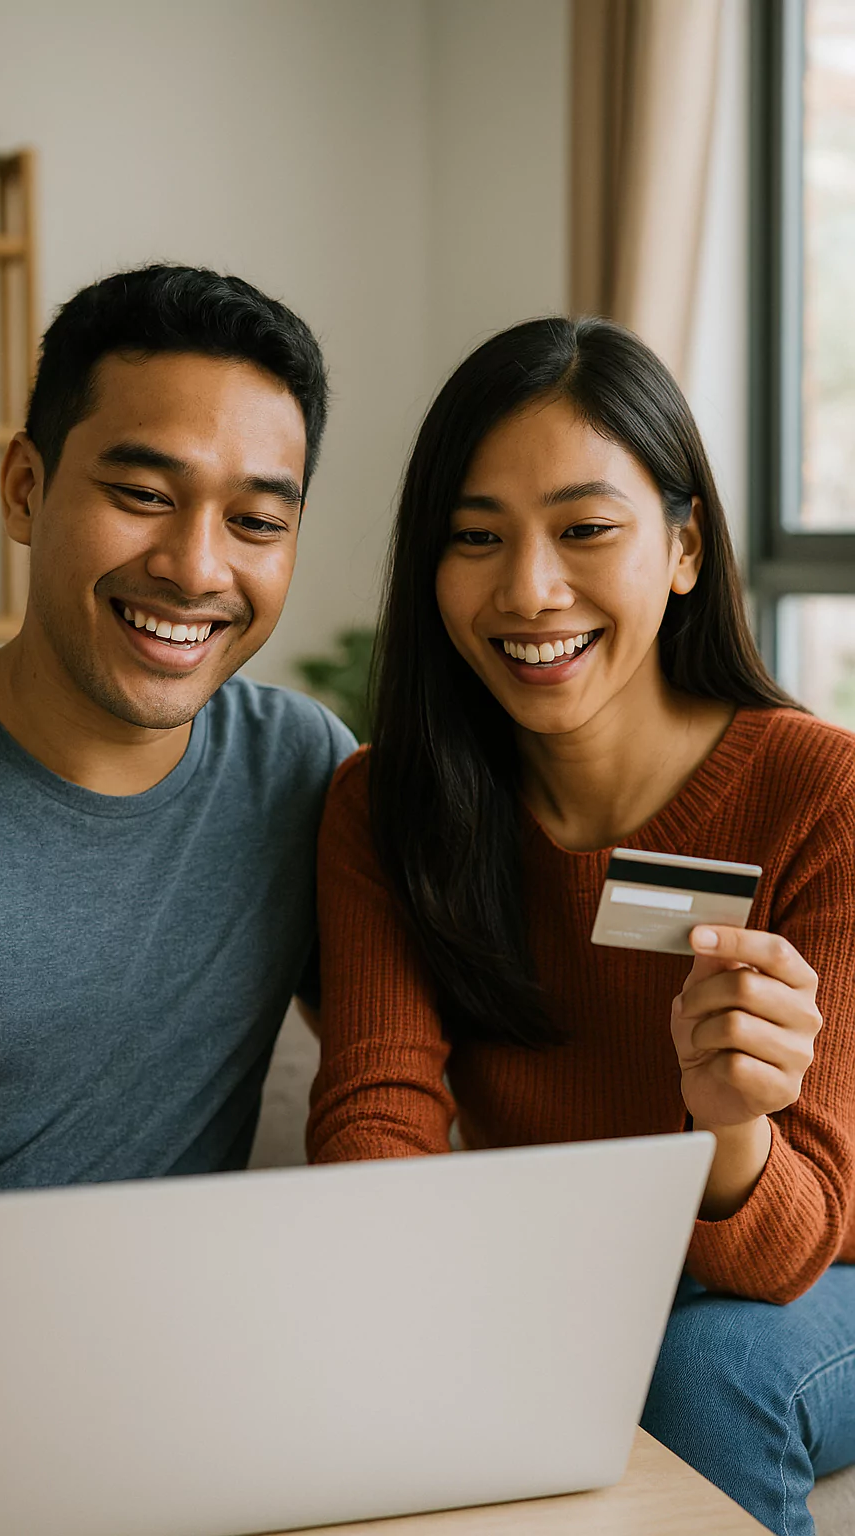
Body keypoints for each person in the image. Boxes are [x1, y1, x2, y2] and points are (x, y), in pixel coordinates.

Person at [306, 316, 855, 1536]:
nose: (527, 590)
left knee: (709, 1369)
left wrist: (725, 1122)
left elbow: (785, 1248)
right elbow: (376, 1111)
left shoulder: (824, 795)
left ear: (683, 546)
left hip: (823, 1266)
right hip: (563, 1263)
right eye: (475, 538)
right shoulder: (388, 805)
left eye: (585, 530)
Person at [0, 264, 355, 1459]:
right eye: (141, 493)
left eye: (258, 522)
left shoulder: (302, 768)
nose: (194, 565)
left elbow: (423, 1068)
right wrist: (31, 1325)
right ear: (26, 488)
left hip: (172, 1417)